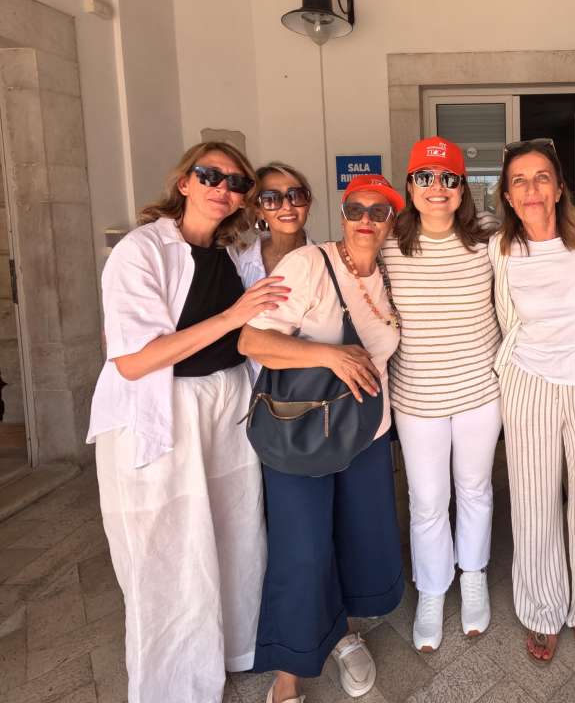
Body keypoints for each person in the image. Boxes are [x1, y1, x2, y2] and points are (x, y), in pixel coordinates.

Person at [87, 142, 287, 703]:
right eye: (210, 176)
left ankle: (234, 650)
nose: (223, 188)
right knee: (170, 549)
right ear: (184, 182)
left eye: (237, 183)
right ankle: (176, 684)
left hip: (226, 404)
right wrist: (232, 316)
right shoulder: (141, 250)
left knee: (235, 533)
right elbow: (134, 361)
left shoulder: (231, 253)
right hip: (163, 409)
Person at [239, 174, 406, 703]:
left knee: (355, 539)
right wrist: (328, 355)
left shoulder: (389, 272)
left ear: (392, 221)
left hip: (366, 435)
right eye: (356, 209)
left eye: (378, 212)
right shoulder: (309, 263)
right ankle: (288, 673)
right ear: (342, 214)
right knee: (303, 550)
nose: (365, 220)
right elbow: (251, 339)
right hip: (303, 433)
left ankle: (341, 635)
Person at [488, 138, 575, 663]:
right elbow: (503, 316)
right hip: (529, 382)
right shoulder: (500, 248)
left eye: (542, 177)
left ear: (560, 187)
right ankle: (542, 608)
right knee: (534, 501)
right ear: (507, 195)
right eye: (519, 181)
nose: (532, 189)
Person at [381, 136, 501, 653]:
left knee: (474, 489)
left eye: (449, 178)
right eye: (425, 177)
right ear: (409, 186)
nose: (438, 187)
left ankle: (472, 574)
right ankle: (432, 588)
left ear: (463, 188)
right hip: (416, 396)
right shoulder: (388, 242)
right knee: (428, 499)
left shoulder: (488, 238)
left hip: (479, 391)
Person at [237, 162, 314, 380]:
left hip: (305, 387)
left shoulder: (327, 264)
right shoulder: (240, 264)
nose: (287, 206)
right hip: (249, 387)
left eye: (296, 195)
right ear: (258, 210)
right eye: (271, 199)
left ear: (307, 204)